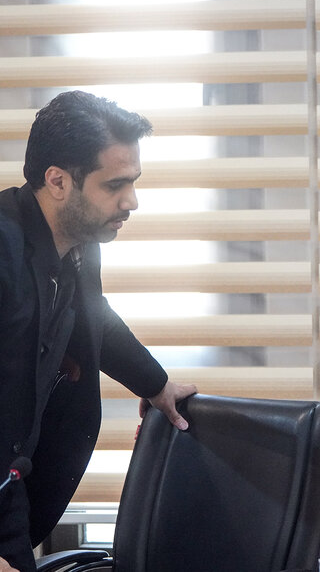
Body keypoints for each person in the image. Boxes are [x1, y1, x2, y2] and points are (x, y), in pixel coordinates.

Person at [0, 91, 197, 572]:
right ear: (58, 181)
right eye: (115, 185)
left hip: (11, 486)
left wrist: (157, 385)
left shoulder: (79, 242)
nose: (132, 201)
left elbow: (94, 318)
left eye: (133, 182)